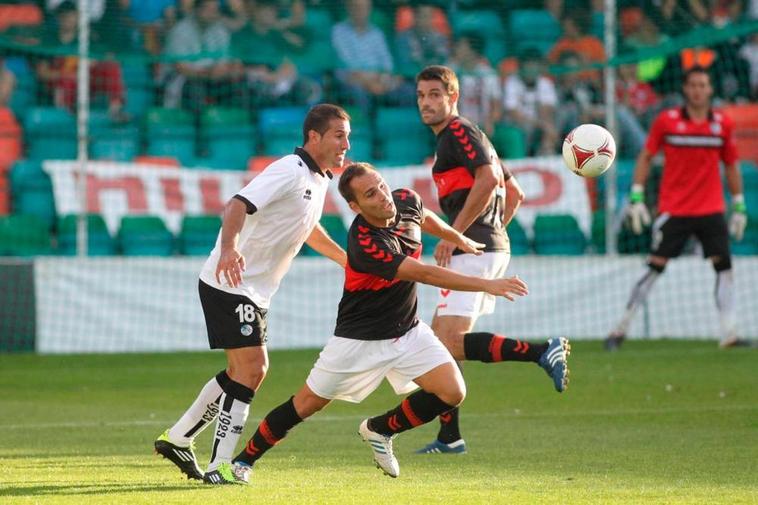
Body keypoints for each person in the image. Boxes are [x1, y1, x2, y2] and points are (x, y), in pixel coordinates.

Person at [222, 163, 531, 484]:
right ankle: (244, 461)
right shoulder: (365, 242)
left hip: (408, 330)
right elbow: (424, 273)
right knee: (306, 404)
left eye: (381, 186)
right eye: (371, 194)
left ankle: (380, 430)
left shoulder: (404, 200)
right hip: (358, 339)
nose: (383, 196)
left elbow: (423, 216)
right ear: (355, 207)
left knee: (452, 391)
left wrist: (456, 238)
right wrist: (486, 284)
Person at [154, 104, 350, 483]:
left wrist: (347, 261)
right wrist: (229, 248)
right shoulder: (288, 170)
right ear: (314, 137)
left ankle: (178, 438)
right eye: (339, 135)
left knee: (238, 372)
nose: (346, 144)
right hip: (230, 283)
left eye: (348, 136)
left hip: (253, 290)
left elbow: (308, 229)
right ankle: (220, 465)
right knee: (254, 369)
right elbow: (238, 205)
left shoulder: (319, 179)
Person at [414, 65, 570, 455]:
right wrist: (492, 234)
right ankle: (450, 437)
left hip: (474, 248)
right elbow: (513, 192)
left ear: (453, 98)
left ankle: (541, 351)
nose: (427, 103)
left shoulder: (458, 133)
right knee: (440, 344)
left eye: (435, 94)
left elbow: (487, 181)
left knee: (447, 341)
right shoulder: (473, 136)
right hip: (487, 245)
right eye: (421, 96)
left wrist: (459, 235)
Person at [605, 66, 751, 350]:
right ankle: (620, 327)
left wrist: (739, 204)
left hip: (711, 208)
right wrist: (636, 196)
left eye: (703, 85)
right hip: (675, 209)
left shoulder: (722, 124)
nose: (698, 90)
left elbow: (731, 165)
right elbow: (646, 156)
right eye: (693, 85)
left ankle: (729, 332)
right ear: (685, 89)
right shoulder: (666, 121)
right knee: (655, 267)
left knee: (724, 268)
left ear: (710, 89)